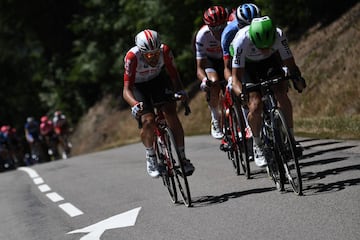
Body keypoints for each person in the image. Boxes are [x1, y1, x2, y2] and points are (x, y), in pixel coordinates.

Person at [231, 16, 306, 167]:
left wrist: (297, 79)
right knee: (255, 104)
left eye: (267, 45)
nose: (264, 49)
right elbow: (236, 78)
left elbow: (291, 64)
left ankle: (291, 139)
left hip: (269, 62)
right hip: (248, 66)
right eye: (260, 46)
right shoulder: (241, 40)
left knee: (281, 93)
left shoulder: (278, 34)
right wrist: (241, 94)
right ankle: (258, 144)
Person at [122, 29, 194, 178]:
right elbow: (126, 90)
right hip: (138, 86)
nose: (154, 57)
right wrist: (134, 104)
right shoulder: (132, 57)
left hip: (157, 81)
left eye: (156, 53)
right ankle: (151, 156)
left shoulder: (165, 51)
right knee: (148, 120)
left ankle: (182, 158)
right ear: (142, 52)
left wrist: (181, 91)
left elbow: (174, 75)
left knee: (171, 112)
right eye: (149, 55)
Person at [220, 3, 261, 151]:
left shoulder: (263, 26)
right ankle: (246, 126)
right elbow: (227, 66)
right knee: (243, 92)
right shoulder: (229, 33)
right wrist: (231, 80)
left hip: (258, 56)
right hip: (238, 59)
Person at [194, 5, 229, 139]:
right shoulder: (202, 36)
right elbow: (199, 68)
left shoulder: (231, 29)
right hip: (211, 61)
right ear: (208, 26)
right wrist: (204, 80)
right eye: (214, 28)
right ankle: (215, 117)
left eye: (222, 26)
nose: (219, 31)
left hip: (227, 58)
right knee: (213, 83)